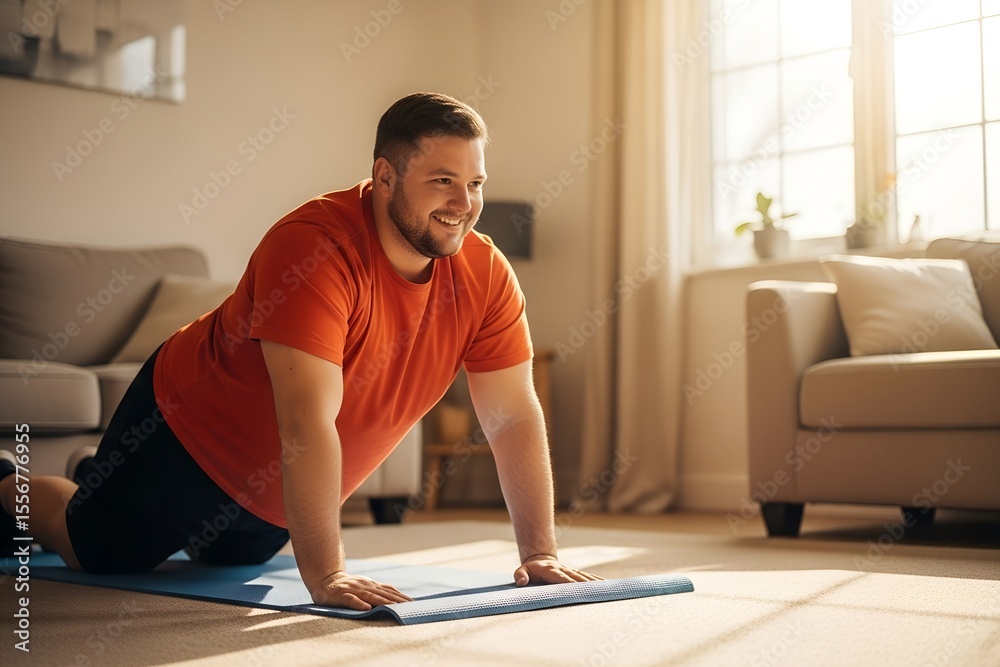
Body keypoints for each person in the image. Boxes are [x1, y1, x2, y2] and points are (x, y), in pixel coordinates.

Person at [0, 92, 601, 611]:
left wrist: (540, 552)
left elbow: (511, 415)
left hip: (274, 489)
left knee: (231, 559)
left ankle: (99, 473)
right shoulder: (313, 247)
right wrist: (327, 573)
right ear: (385, 177)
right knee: (98, 550)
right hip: (188, 435)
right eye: (442, 180)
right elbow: (305, 419)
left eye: (475, 184)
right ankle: (13, 483)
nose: (463, 203)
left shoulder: (486, 273)